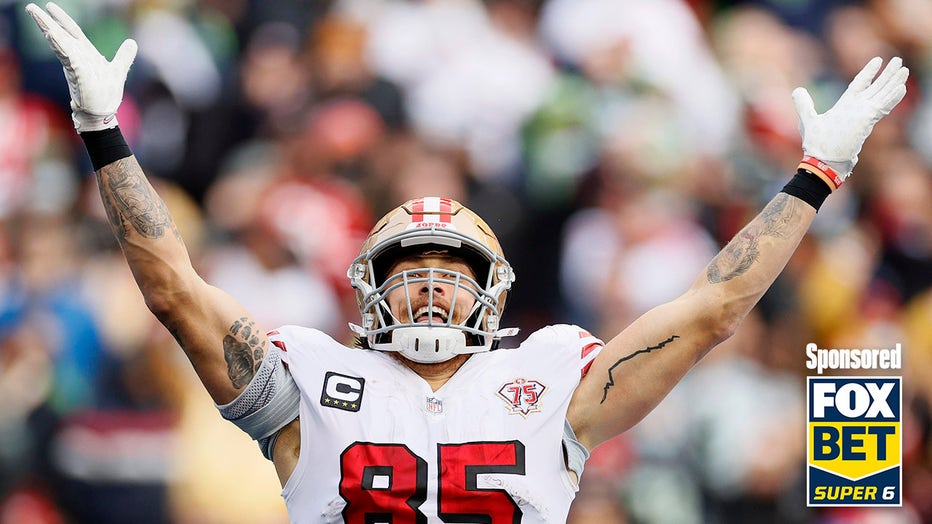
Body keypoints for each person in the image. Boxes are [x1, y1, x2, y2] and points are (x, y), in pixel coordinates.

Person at [25, 2, 909, 522]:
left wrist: (816, 174)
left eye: (452, 269)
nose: (433, 284)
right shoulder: (309, 379)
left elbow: (712, 311)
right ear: (370, 287)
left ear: (493, 292)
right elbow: (173, 290)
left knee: (862, 476)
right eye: (411, 268)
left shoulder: (551, 372)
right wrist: (104, 135)